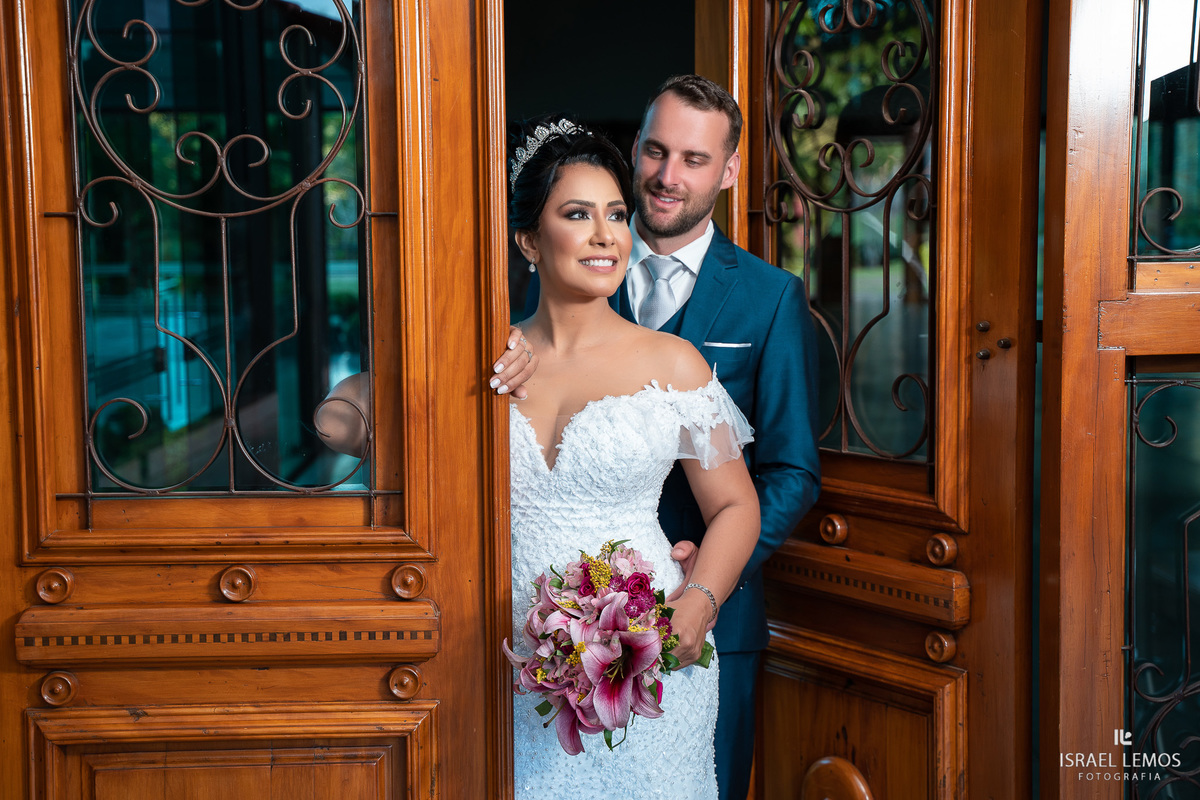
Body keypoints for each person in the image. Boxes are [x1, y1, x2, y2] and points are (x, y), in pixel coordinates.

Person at [491, 75, 821, 800]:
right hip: (517, 641)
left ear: (728, 171)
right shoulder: (532, 291)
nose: (668, 176)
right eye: (656, 151)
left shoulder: (768, 299)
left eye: (694, 160)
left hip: (686, 618)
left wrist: (702, 585)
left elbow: (789, 472)